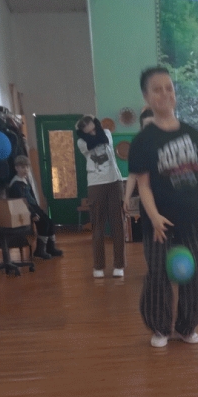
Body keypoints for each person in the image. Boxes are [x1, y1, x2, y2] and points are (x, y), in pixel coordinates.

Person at [128, 67, 198, 348]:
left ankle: (187, 327)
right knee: (158, 275)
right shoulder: (143, 141)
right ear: (146, 97)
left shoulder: (193, 135)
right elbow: (143, 186)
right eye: (157, 89)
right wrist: (154, 217)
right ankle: (160, 328)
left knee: (197, 275)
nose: (165, 94)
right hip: (159, 222)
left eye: (169, 88)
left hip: (192, 218)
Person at [75, 115, 125, 278]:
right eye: (86, 129)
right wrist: (85, 133)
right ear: (82, 131)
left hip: (114, 182)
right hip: (95, 184)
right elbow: (92, 143)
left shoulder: (106, 133)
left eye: (92, 126)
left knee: (117, 224)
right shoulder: (81, 142)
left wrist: (96, 126)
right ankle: (98, 266)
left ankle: (119, 265)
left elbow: (103, 139)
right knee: (98, 225)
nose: (90, 130)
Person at [7, 155, 63, 259]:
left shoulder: (25, 180)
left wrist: (37, 208)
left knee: (49, 222)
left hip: (33, 206)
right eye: (23, 167)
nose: (25, 170)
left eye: (27, 167)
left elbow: (31, 197)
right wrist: (32, 213)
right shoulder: (16, 184)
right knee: (43, 224)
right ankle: (39, 250)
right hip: (25, 210)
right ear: (16, 168)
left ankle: (50, 248)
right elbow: (22, 202)